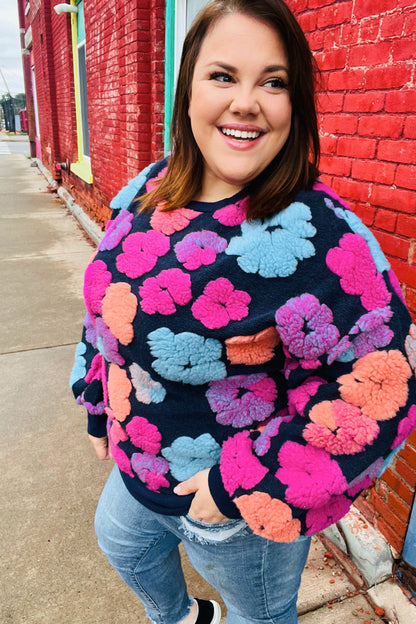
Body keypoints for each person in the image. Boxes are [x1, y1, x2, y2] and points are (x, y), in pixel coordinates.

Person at [70, 1, 416, 623]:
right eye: (223, 75)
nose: (246, 101)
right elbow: (105, 309)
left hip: (228, 510)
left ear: (296, 103)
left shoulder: (319, 235)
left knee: (261, 615)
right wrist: (97, 404)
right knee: (121, 545)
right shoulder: (150, 187)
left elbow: (382, 385)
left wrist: (239, 488)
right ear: (189, 88)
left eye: (273, 82)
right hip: (136, 465)